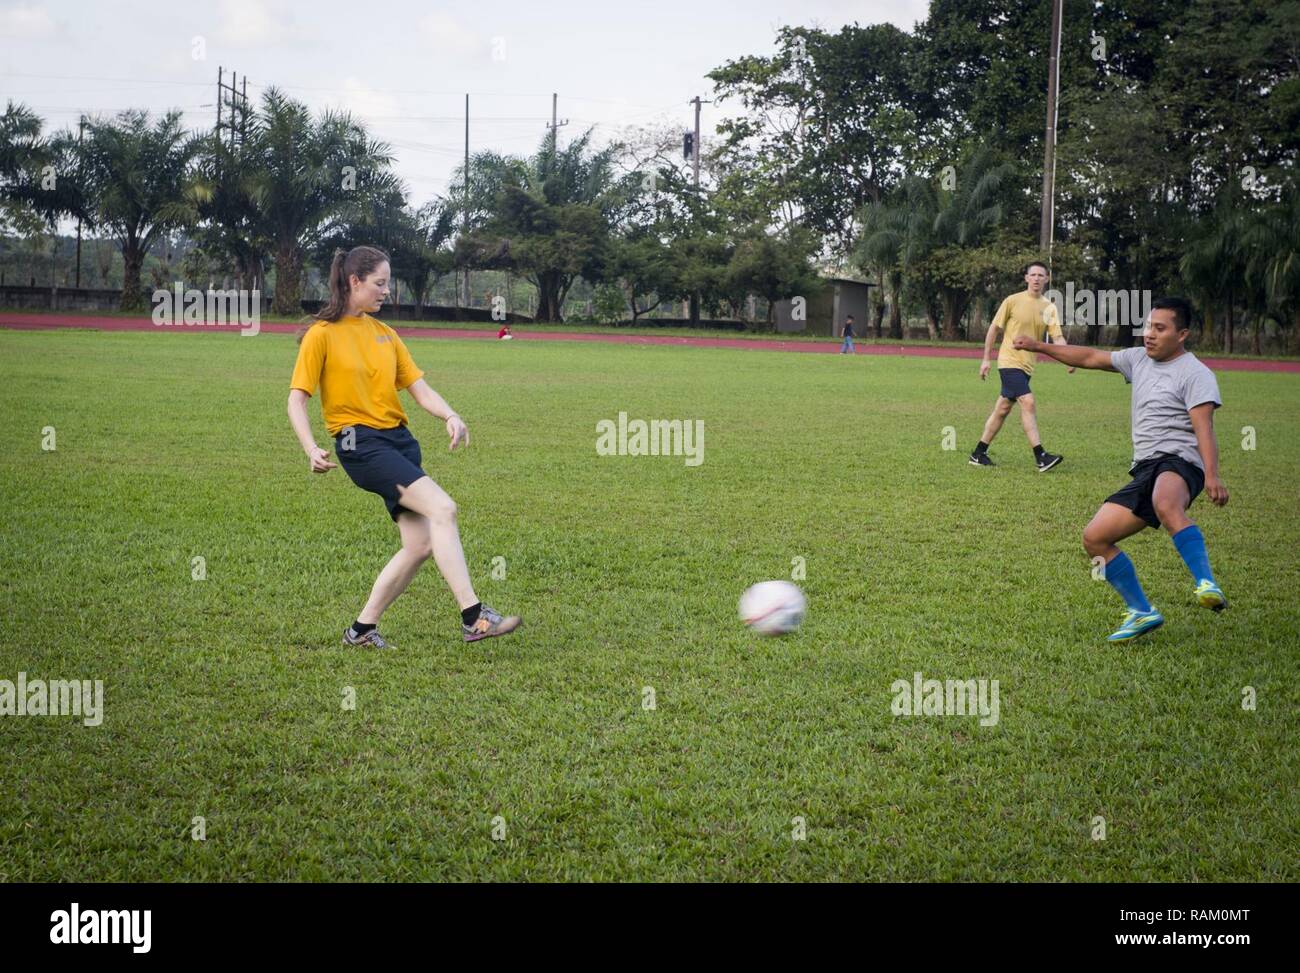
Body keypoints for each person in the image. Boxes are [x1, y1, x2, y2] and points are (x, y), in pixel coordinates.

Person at [287, 246, 521, 648]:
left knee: (420, 544)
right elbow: (297, 399)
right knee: (444, 508)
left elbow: (418, 387)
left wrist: (450, 415)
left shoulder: (385, 335)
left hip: (399, 442)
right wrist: (310, 448)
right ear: (354, 281)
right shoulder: (321, 336)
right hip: (359, 443)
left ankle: (361, 631)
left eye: (388, 284)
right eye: (379, 283)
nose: (386, 292)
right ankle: (474, 616)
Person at [1013, 296, 1228, 643]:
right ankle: (1142, 611)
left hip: (1181, 463)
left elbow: (1204, 427)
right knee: (1095, 538)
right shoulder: (1138, 359)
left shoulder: (1196, 374)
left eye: (1160, 328)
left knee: (1166, 502)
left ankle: (1206, 582)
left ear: (1182, 334)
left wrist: (1213, 474)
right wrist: (1040, 346)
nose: (1150, 334)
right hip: (1145, 469)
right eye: (1147, 327)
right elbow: (1087, 357)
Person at [970, 261, 1073, 471]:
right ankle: (1041, 456)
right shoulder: (1013, 300)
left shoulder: (1049, 308)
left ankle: (978, 454)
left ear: (1047, 279)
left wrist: (1069, 358)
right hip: (1008, 362)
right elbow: (994, 329)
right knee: (1028, 401)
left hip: (1027, 367)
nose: (1036, 278)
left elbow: (1057, 337)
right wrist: (986, 359)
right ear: (1026, 278)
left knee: (1002, 409)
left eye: (1040, 275)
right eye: (1032, 275)